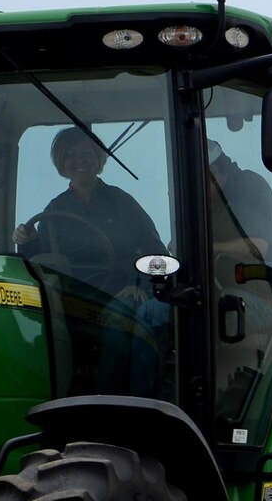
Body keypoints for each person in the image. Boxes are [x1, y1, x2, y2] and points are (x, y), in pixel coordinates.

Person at [13, 126, 171, 395]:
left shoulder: (123, 203)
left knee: (121, 320)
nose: (80, 161)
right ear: (61, 163)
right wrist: (26, 241)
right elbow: (43, 262)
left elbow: (159, 256)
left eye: (87, 154)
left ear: (99, 160)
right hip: (75, 300)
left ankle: (121, 402)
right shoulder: (55, 210)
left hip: (125, 293)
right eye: (71, 155)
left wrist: (140, 284)